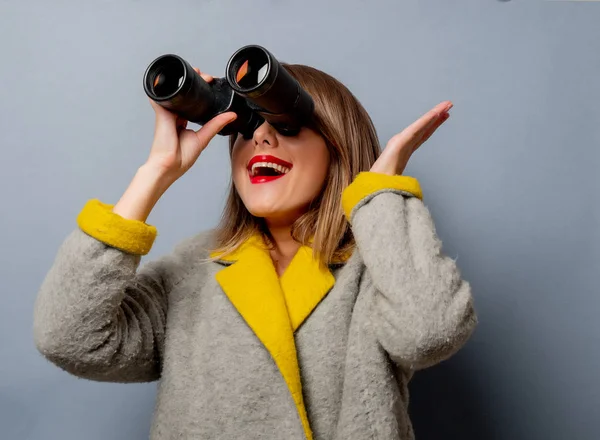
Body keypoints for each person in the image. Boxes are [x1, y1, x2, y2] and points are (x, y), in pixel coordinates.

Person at [33, 62, 477, 440]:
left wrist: (380, 194)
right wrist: (155, 173)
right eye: (246, 128)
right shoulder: (193, 268)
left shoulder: (377, 267)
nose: (261, 139)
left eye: (286, 125)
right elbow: (69, 338)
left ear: (338, 149)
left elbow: (429, 333)